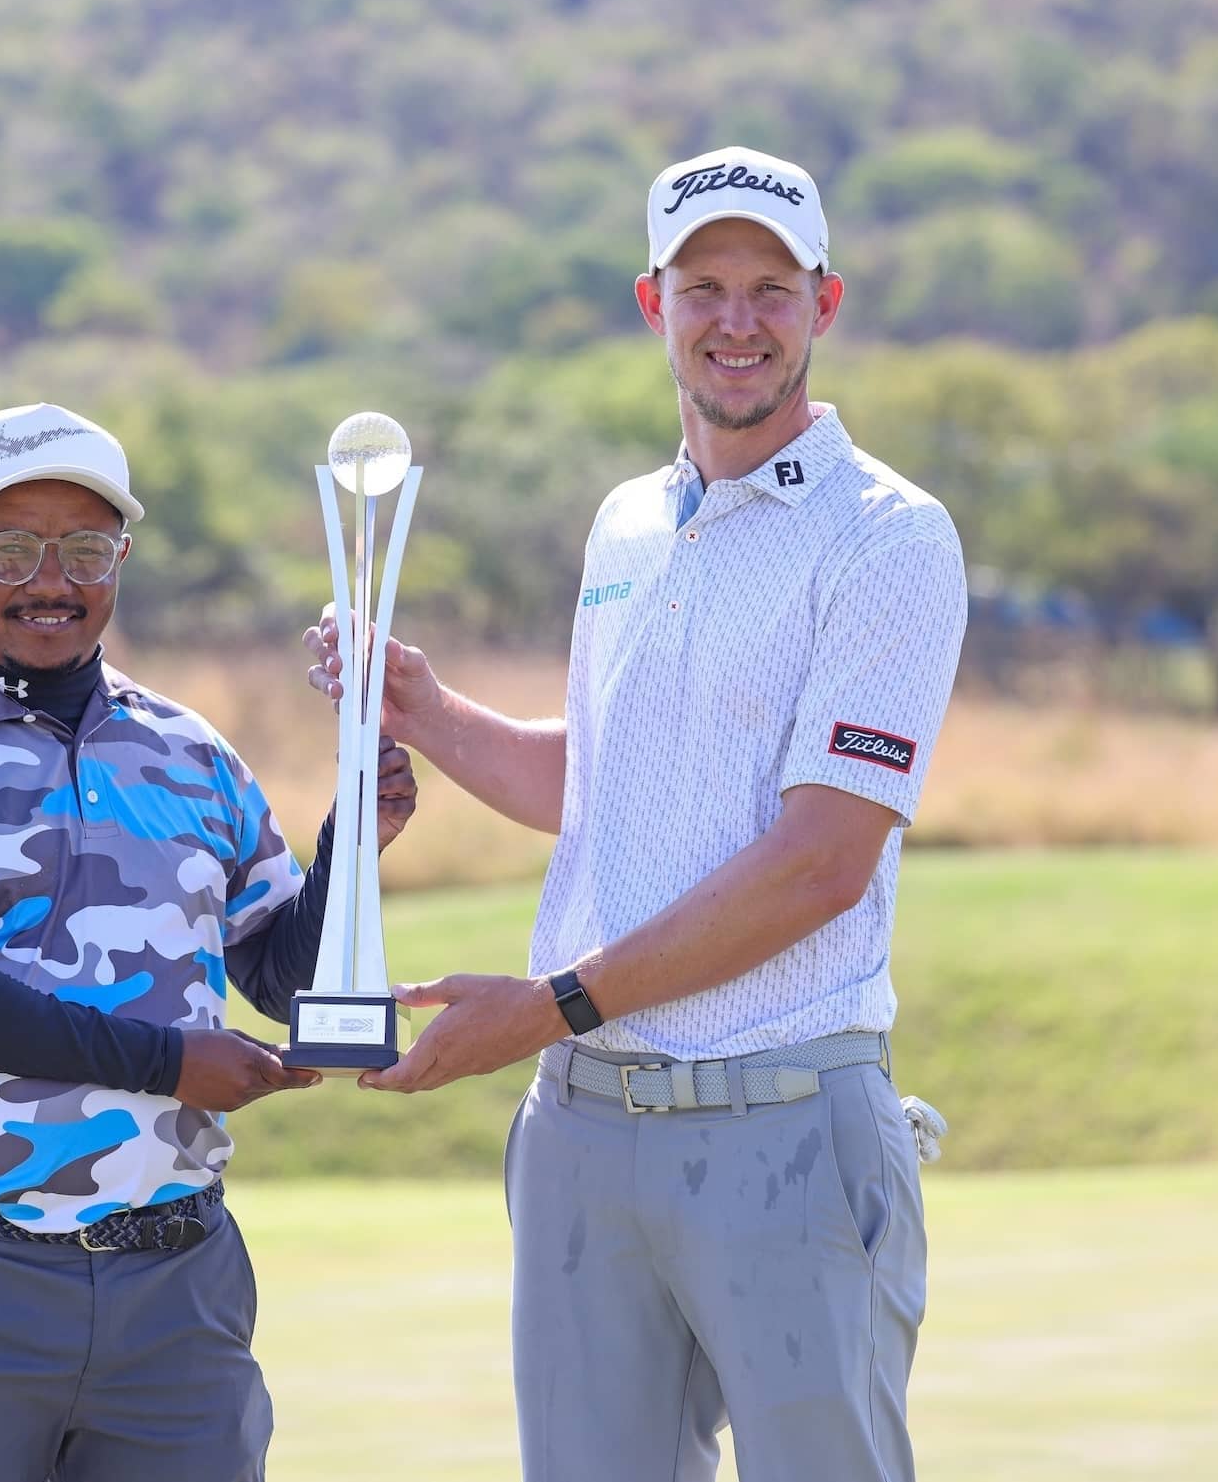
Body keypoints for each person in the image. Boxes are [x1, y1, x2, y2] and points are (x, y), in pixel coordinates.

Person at [306, 147, 966, 1482]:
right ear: (653, 303)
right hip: (585, 1131)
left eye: (772, 287)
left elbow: (822, 861)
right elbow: (601, 786)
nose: (738, 320)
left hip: (785, 1112)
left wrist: (548, 1005)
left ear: (826, 303)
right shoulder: (626, 523)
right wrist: (422, 705)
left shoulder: (888, 535)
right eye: (703, 286)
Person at [0, 402, 417, 1482]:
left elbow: (280, 973)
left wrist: (351, 843)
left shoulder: (191, 751)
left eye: (87, 548)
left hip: (177, 1290)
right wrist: (168, 1062)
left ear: (121, 561)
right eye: (12, 548)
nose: (52, 578)